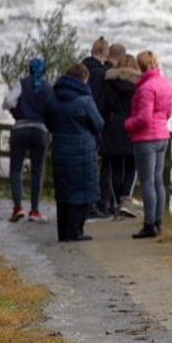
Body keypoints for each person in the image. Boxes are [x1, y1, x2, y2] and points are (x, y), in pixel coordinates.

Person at [44, 63, 104, 242]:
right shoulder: (85, 100)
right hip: (82, 150)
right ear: (83, 79)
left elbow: (48, 121)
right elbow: (98, 123)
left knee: (63, 191)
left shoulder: (53, 97)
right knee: (82, 191)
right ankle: (76, 231)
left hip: (60, 148)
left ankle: (63, 233)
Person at [125, 50, 172, 239]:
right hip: (162, 135)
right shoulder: (165, 84)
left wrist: (128, 124)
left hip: (146, 139)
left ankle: (149, 224)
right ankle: (158, 221)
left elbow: (144, 118)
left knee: (147, 182)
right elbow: (168, 113)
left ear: (140, 66)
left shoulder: (146, 88)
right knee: (158, 181)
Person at [2, 58, 52, 222]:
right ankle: (35, 211)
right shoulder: (49, 88)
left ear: (29, 70)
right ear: (44, 71)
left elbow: (8, 101)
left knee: (16, 169)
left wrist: (16, 110)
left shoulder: (21, 83)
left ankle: (18, 208)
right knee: (37, 171)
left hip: (20, 129)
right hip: (40, 131)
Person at [100, 54, 140, 218]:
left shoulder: (108, 83)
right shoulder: (138, 85)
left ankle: (118, 203)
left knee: (116, 168)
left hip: (114, 124)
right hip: (132, 125)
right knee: (132, 166)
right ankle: (126, 201)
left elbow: (103, 106)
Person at [83, 36, 110, 218]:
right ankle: (95, 205)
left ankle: (84, 203)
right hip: (97, 119)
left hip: (79, 120)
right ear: (105, 53)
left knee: (84, 163)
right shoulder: (102, 74)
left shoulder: (82, 68)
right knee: (96, 165)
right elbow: (103, 99)